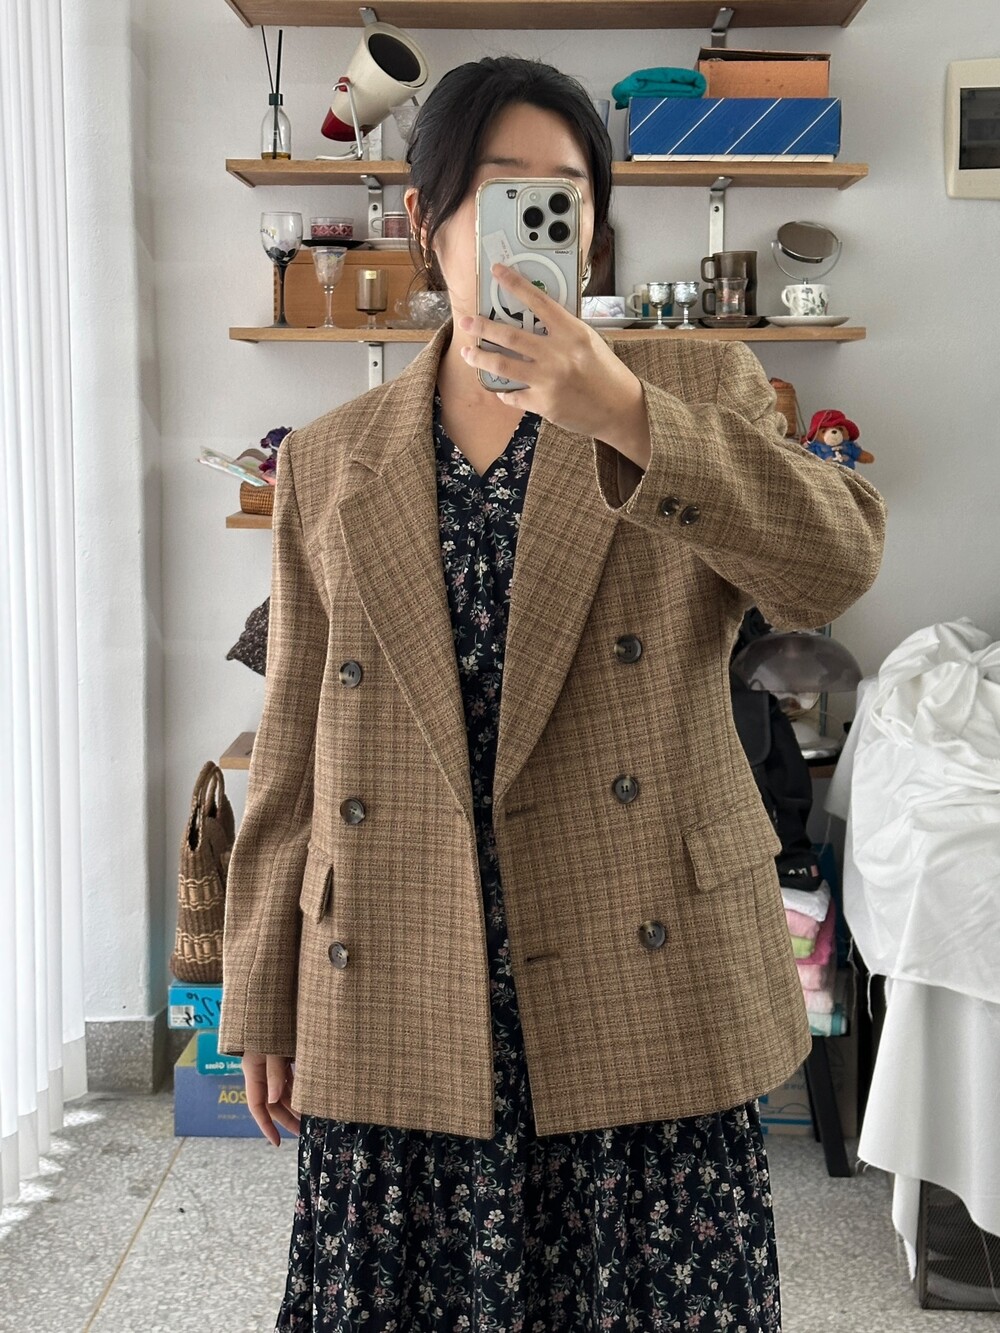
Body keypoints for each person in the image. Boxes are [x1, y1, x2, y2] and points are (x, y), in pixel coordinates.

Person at [219, 55, 886, 1333]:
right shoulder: (331, 461)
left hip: (642, 974)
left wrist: (627, 415)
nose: (539, 225)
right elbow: (297, 746)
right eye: (501, 192)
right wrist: (263, 991)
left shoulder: (691, 392)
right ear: (428, 219)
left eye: (564, 199)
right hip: (399, 975)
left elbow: (832, 566)